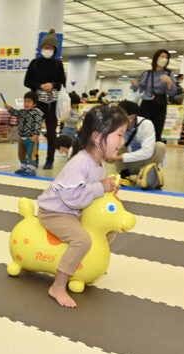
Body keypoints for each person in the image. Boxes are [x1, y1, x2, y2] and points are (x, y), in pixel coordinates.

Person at [37, 104, 127, 308]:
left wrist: (108, 192)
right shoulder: (80, 163)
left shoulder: (99, 164)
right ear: (97, 137)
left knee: (109, 233)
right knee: (82, 239)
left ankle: (89, 265)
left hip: (75, 211)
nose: (122, 142)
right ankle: (58, 286)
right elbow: (72, 197)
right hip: (55, 212)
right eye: (119, 135)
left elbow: (92, 197)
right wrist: (99, 188)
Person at [24, 28, 67, 170]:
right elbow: (27, 82)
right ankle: (33, 158)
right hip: (37, 103)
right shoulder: (34, 63)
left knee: (51, 134)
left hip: (52, 104)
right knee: (34, 132)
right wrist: (40, 85)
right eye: (44, 47)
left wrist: (53, 84)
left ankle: (50, 160)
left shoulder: (58, 64)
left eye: (49, 47)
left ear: (54, 49)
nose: (46, 49)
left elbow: (62, 84)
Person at [111, 100, 166, 183]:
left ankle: (147, 173)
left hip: (145, 162)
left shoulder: (146, 124)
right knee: (117, 142)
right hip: (126, 164)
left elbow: (147, 152)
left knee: (160, 146)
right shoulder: (116, 125)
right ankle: (124, 175)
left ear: (132, 117)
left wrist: (120, 157)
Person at [130, 49, 178, 142]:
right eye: (162, 57)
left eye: (167, 57)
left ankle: (153, 153)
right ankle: (139, 152)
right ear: (156, 58)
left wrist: (169, 82)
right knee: (141, 129)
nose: (164, 59)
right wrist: (135, 84)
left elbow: (172, 92)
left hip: (160, 105)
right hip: (146, 104)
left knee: (157, 131)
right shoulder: (147, 73)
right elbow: (140, 88)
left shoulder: (169, 74)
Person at [5, 91, 44, 176]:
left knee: (31, 154)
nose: (26, 103)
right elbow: (15, 113)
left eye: (29, 101)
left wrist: (36, 134)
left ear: (34, 104)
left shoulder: (36, 113)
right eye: (25, 101)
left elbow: (38, 123)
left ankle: (31, 169)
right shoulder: (22, 112)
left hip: (31, 138)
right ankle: (23, 167)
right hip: (22, 137)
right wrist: (9, 109)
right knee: (21, 154)